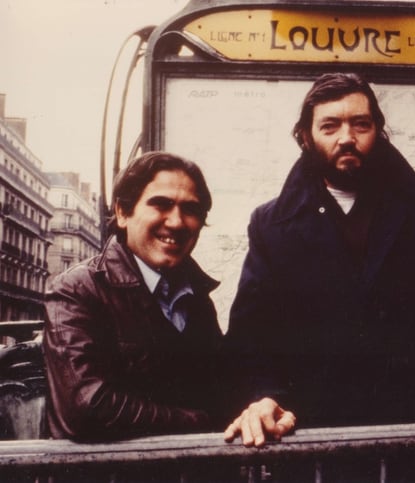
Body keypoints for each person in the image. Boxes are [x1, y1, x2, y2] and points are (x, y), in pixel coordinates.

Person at [222, 73, 415, 456]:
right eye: (330, 125)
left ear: (378, 130)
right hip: (313, 442)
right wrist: (264, 398)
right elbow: (254, 336)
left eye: (360, 123)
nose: (347, 137)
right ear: (305, 137)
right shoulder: (272, 223)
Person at [43, 151, 294, 443]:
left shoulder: (196, 298)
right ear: (123, 213)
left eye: (190, 209)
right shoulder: (76, 290)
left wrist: (261, 407)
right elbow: (87, 407)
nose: (176, 222)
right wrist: (203, 422)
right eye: (161, 205)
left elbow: (225, 387)